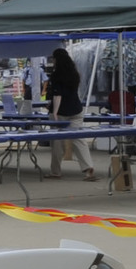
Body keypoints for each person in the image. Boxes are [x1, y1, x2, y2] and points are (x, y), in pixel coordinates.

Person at [45, 47, 97, 181]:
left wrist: (54, 112)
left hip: (61, 111)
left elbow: (58, 96)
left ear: (56, 59)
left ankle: (56, 171)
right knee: (79, 139)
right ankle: (88, 167)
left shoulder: (56, 75)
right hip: (76, 109)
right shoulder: (75, 73)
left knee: (57, 143)